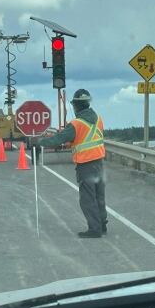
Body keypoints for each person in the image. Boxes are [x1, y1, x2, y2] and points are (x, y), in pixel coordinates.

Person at [33, 89, 108, 238]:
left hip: (85, 164)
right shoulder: (99, 118)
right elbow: (88, 138)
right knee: (99, 195)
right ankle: (102, 224)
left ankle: (94, 229)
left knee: (88, 198)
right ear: (88, 103)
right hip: (99, 162)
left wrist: (39, 141)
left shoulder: (76, 124)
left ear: (76, 106)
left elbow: (57, 139)